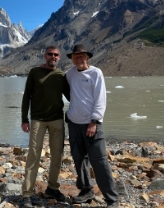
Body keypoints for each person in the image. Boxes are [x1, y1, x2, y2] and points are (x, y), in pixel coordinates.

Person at [65, 44, 119, 208]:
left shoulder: (96, 73)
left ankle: (112, 199)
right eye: (76, 56)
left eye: (82, 56)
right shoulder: (69, 74)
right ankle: (86, 190)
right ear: (72, 59)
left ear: (87, 58)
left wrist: (94, 121)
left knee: (99, 161)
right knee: (79, 159)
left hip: (91, 124)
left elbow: (100, 99)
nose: (79, 59)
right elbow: (65, 89)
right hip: (74, 123)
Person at [21, 45, 70, 208]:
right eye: (50, 54)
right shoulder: (35, 72)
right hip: (38, 120)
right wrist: (24, 119)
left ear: (59, 57)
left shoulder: (61, 75)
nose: (53, 57)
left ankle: (52, 188)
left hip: (57, 119)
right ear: (44, 56)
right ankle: (27, 193)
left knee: (57, 156)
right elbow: (27, 95)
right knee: (34, 155)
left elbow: (71, 96)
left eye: (56, 55)